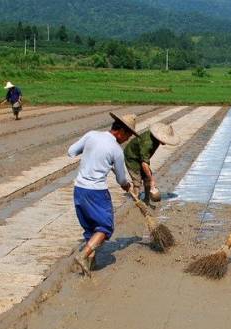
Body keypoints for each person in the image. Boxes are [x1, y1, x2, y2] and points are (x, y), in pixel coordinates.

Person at [67, 112, 137, 276]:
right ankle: (83, 256)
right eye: (128, 136)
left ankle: (88, 268)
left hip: (79, 189)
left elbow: (71, 151)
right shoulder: (116, 150)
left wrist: (90, 154)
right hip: (96, 193)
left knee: (91, 231)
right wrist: (127, 185)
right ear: (121, 132)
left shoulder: (91, 135)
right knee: (105, 228)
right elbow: (121, 179)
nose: (127, 140)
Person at [124, 122, 180, 204]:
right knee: (137, 180)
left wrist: (150, 179)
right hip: (132, 157)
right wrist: (152, 179)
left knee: (147, 177)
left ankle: (147, 199)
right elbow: (144, 163)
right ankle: (136, 200)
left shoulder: (156, 139)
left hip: (141, 156)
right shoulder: (148, 143)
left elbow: (145, 160)